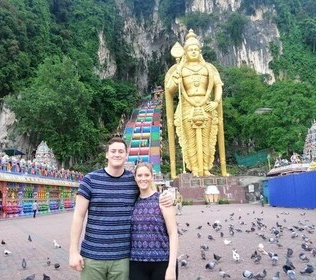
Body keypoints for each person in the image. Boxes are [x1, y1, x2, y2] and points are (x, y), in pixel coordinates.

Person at [69, 137, 173, 280]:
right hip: (93, 256)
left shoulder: (134, 180)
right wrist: (73, 251)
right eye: (113, 151)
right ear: (107, 154)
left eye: (120, 151)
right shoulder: (90, 180)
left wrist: (168, 196)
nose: (117, 154)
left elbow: (149, 191)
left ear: (126, 154)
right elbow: (78, 216)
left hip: (122, 259)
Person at [165, 29, 227, 177]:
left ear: (200, 51)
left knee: (207, 140)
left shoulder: (209, 68)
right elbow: (169, 89)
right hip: (187, 107)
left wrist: (216, 101)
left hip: (206, 106)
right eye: (190, 50)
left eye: (195, 49)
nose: (193, 52)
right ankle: (194, 169)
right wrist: (176, 77)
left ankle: (205, 168)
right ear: (185, 52)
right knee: (190, 140)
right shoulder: (180, 68)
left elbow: (218, 85)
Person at [130, 163, 178, 280]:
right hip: (136, 262)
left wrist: (171, 267)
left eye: (146, 175)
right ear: (135, 178)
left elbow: (173, 234)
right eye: (139, 175)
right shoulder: (132, 201)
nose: (143, 178)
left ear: (152, 177)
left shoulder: (162, 199)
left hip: (162, 261)